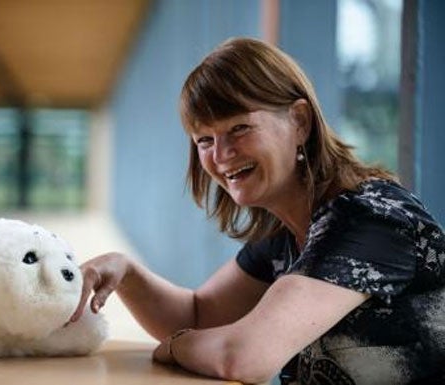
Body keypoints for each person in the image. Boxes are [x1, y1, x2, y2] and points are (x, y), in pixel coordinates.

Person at [69, 37, 445, 385]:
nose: (220, 155)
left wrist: (176, 346)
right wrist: (127, 272)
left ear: (299, 121)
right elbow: (199, 314)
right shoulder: (288, 232)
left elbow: (244, 357)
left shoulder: (370, 219)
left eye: (239, 128)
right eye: (205, 139)